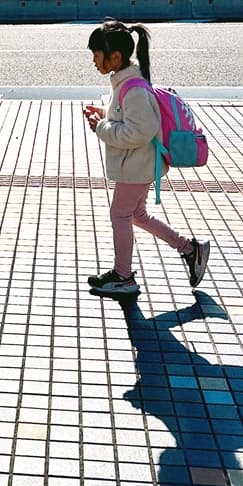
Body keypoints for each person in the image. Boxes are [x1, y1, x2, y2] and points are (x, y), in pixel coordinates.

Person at [82, 19, 209, 296]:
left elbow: (140, 131)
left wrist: (101, 127)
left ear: (115, 57)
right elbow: (131, 120)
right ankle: (190, 249)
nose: (94, 61)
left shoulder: (134, 88)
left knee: (120, 215)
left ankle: (124, 276)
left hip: (137, 166)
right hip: (140, 164)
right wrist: (105, 115)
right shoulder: (126, 82)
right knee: (136, 215)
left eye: (96, 55)